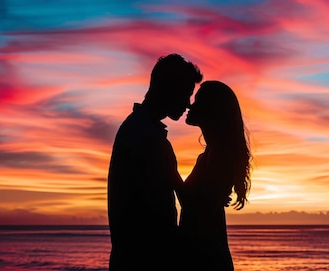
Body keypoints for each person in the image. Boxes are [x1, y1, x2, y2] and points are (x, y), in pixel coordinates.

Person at [107, 53, 203, 270]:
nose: (188, 104)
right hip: (147, 260)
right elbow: (185, 198)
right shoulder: (149, 138)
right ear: (168, 88)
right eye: (186, 94)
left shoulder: (134, 128)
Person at [178, 80, 253, 271]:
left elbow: (197, 204)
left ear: (212, 111)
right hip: (204, 256)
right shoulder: (212, 154)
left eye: (197, 101)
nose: (190, 105)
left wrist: (168, 171)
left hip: (208, 260)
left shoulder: (220, 155)